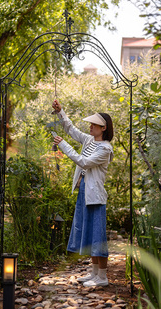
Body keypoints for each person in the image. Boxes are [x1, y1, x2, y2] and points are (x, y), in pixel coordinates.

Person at [52, 99, 114, 287]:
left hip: (95, 196)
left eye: (94, 124)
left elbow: (84, 162)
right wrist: (61, 112)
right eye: (91, 124)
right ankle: (94, 274)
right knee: (88, 234)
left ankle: (102, 277)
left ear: (103, 128)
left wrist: (63, 146)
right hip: (85, 192)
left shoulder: (105, 148)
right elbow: (71, 130)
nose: (90, 127)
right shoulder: (89, 140)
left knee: (98, 236)